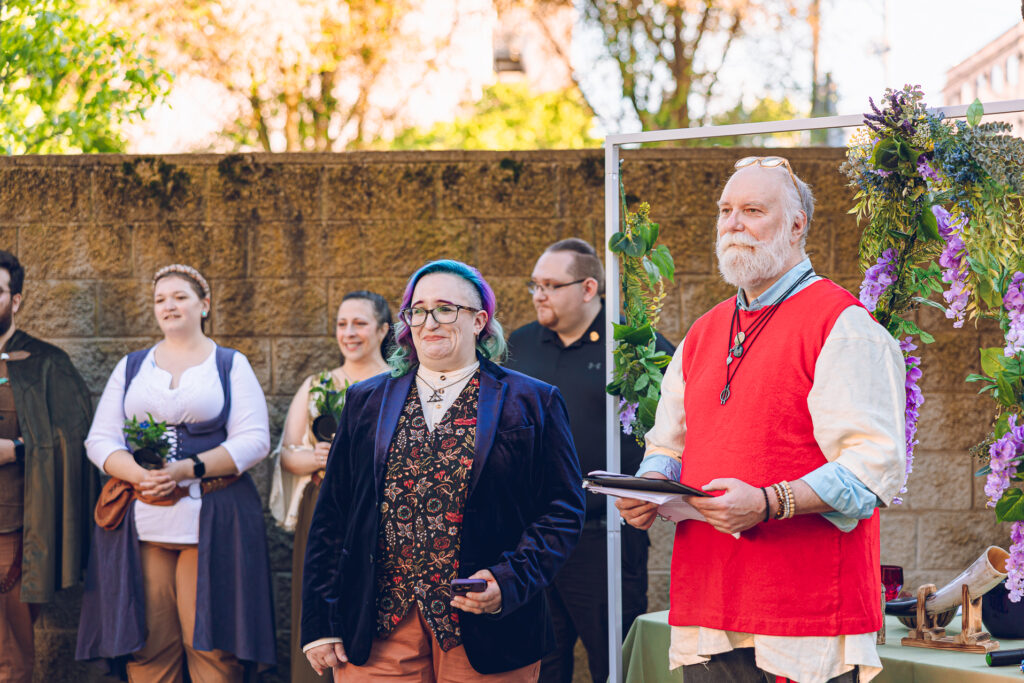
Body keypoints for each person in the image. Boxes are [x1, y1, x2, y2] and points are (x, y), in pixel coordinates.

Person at [616, 157, 906, 683]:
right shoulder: (702, 334)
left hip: (805, 609)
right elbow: (667, 445)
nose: (732, 223)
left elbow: (872, 469)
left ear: (797, 225)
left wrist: (771, 502)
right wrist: (650, 485)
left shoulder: (842, 326)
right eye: (726, 210)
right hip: (709, 602)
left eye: (752, 210)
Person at [301, 259, 585, 682]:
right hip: (378, 627)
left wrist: (508, 581)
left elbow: (562, 509)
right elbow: (333, 515)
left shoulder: (532, 401)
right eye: (418, 310)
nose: (430, 321)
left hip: (487, 629)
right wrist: (320, 621)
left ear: (479, 321)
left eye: (446, 308)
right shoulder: (366, 401)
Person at [76, 264, 276, 681]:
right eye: (160, 299)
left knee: (212, 647)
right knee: (148, 645)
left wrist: (189, 468)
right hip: (143, 522)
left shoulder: (229, 364)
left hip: (212, 520)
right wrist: (135, 474)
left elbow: (254, 439)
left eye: (179, 297)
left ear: (204, 305)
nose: (168, 305)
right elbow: (100, 439)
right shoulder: (132, 366)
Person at [506, 238, 674, 683]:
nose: (538, 294)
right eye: (534, 285)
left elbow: (675, 430)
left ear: (588, 288)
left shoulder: (634, 350)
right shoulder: (520, 346)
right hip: (533, 538)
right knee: (541, 663)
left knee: (613, 663)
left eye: (549, 285)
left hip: (605, 537)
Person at [270, 290, 392, 683]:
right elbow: (288, 454)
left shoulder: (398, 384)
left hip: (382, 511)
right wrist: (322, 458)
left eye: (359, 323)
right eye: (342, 324)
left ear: (383, 330)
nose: (349, 332)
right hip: (322, 506)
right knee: (321, 596)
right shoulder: (317, 384)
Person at [0, 250, 96, 683]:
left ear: (15, 300)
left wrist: (17, 451)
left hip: (14, 529)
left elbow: (74, 439)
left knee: (8, 654)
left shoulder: (47, 364)